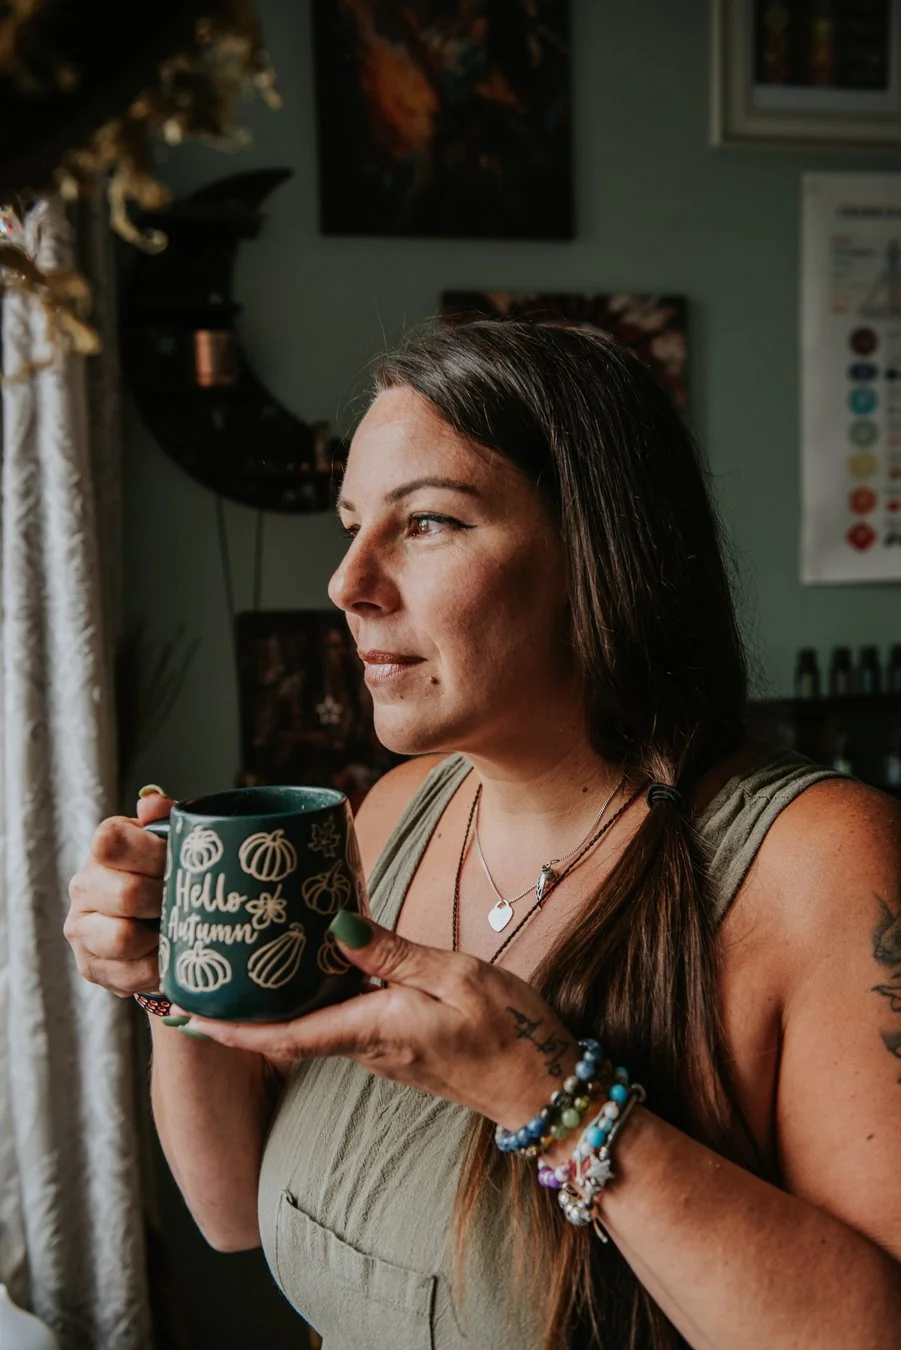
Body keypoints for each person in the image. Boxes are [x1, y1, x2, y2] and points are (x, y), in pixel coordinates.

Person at [65, 321, 901, 1350]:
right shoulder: (390, 814)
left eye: (425, 524)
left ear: (596, 552)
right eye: (350, 522)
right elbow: (234, 1210)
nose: (346, 582)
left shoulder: (822, 861)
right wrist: (176, 974)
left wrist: (542, 1091)